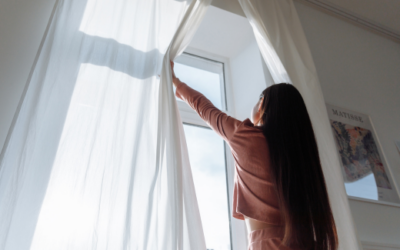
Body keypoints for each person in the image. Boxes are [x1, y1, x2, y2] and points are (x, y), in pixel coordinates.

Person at [170, 61, 338, 250]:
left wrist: (175, 81)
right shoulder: (301, 155)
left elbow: (205, 109)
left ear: (262, 105)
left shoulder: (246, 137)